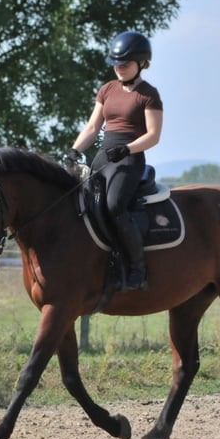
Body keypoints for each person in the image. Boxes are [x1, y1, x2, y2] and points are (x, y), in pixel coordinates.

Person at [65, 31, 163, 292]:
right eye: (116, 65)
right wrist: (74, 151)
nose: (119, 69)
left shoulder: (149, 94)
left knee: (114, 206)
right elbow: (93, 127)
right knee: (81, 205)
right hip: (102, 157)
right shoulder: (107, 89)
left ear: (141, 63)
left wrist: (127, 149)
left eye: (125, 64)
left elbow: (153, 136)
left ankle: (137, 270)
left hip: (128, 160)